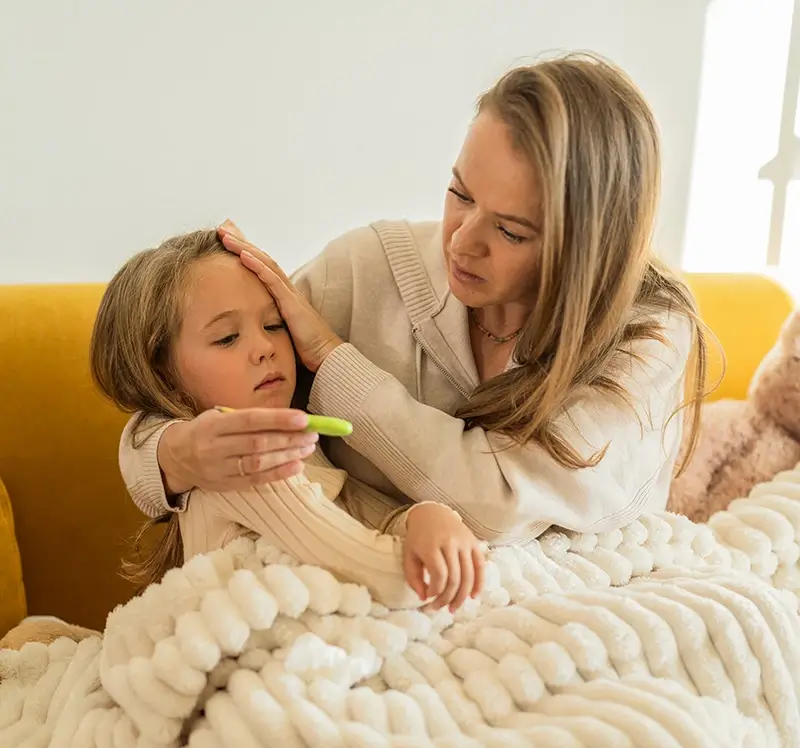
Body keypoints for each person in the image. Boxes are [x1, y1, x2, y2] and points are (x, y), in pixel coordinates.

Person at [121, 53, 707, 547]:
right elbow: (172, 396)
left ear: (589, 248)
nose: (462, 240)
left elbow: (497, 508)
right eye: (459, 193)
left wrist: (333, 358)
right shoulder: (366, 269)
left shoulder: (645, 334)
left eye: (510, 231)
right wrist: (177, 456)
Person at [88, 229, 485, 612]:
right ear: (161, 374)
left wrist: (426, 517)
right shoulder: (243, 465)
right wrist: (439, 556)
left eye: (273, 325)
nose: (264, 348)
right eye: (227, 337)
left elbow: (368, 517)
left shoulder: (299, 443)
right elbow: (379, 573)